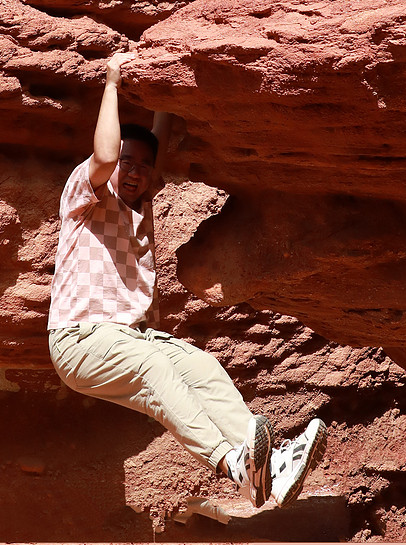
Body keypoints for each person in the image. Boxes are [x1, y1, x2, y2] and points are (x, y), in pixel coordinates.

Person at [48, 49, 327, 508]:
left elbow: (160, 137)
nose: (134, 171)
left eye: (142, 165)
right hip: (80, 342)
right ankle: (233, 464)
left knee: (202, 369)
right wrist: (114, 81)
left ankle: (271, 472)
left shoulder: (142, 197)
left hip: (130, 337)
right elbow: (104, 153)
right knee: (154, 371)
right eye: (127, 162)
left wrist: (165, 81)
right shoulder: (85, 196)